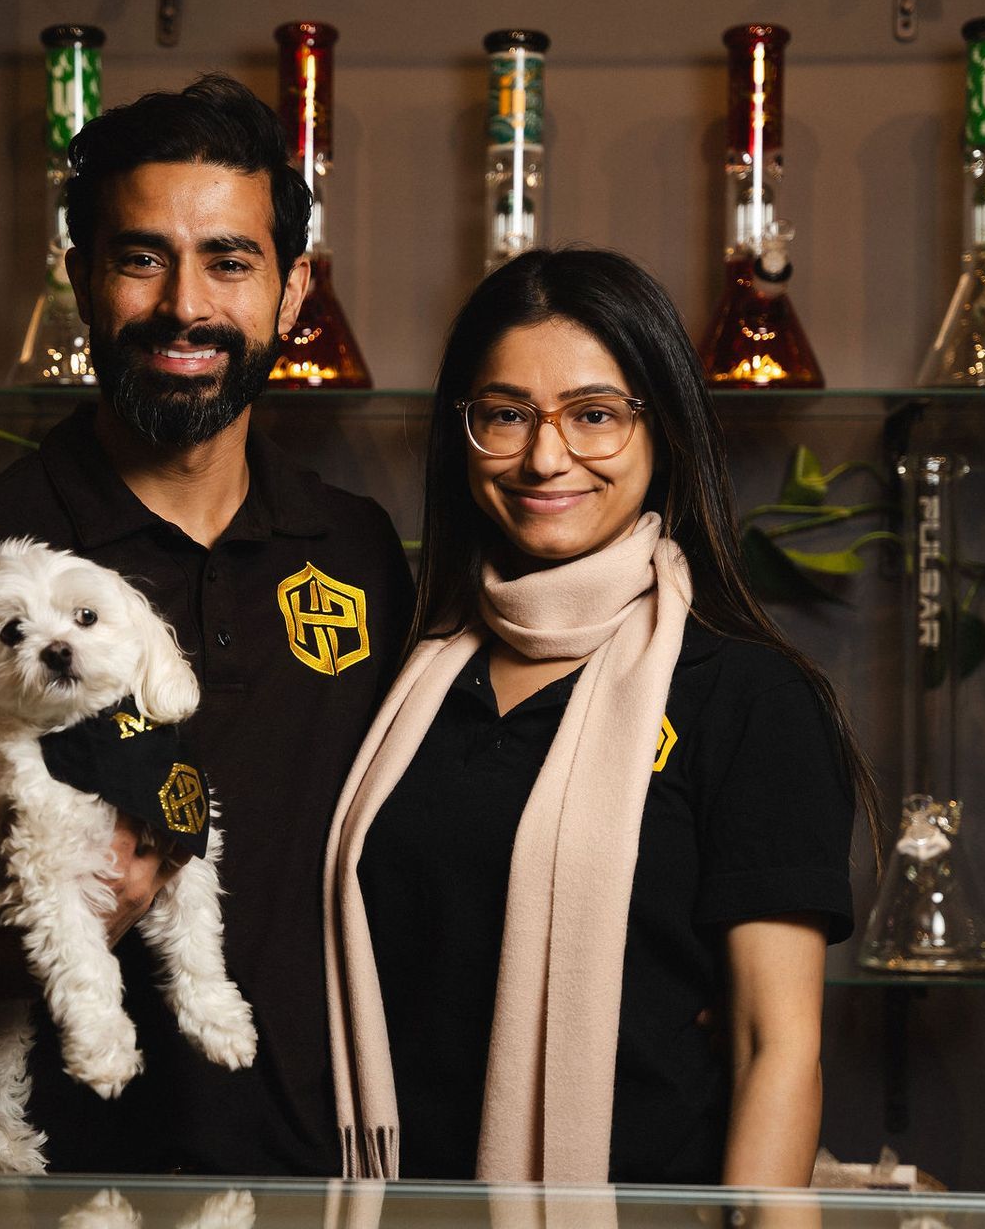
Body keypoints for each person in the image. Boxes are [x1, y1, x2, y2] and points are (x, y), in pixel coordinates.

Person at [0, 73, 413, 1176]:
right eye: (141, 257)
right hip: (32, 1193)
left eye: (230, 261)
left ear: (292, 293)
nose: (185, 303)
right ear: (82, 279)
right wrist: (31, 948)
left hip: (307, 1190)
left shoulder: (361, 553)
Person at [323, 248, 878, 1186]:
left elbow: (771, 1050)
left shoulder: (746, 699)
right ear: (463, 435)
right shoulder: (404, 680)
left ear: (662, 430)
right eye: (506, 415)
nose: (546, 456)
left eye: (594, 415)